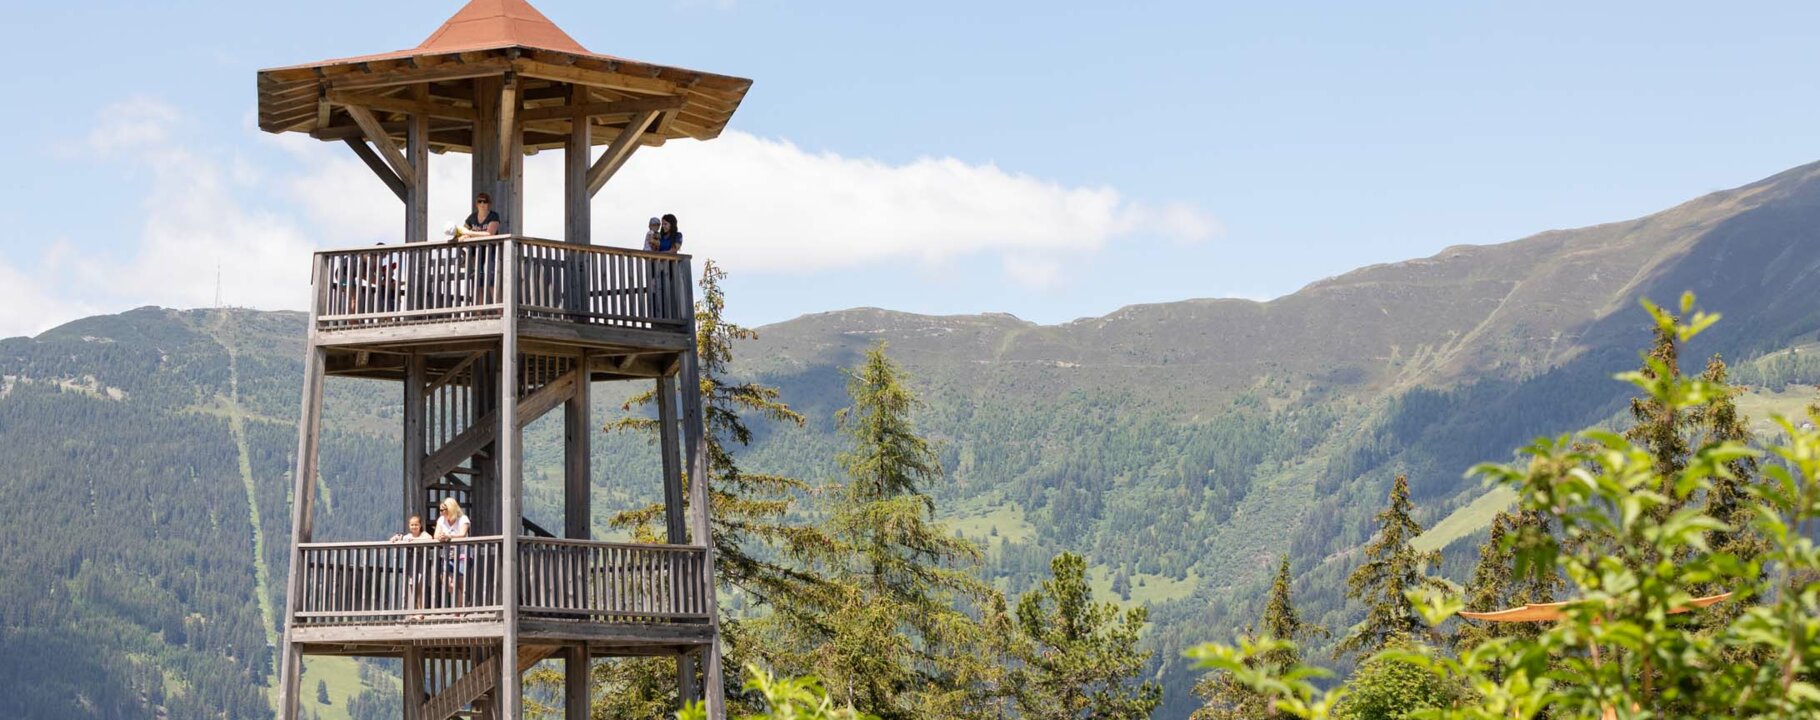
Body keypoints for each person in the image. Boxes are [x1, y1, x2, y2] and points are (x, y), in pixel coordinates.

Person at [390, 515, 433, 618]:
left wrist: (414, 541)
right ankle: (412, 611)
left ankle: (420, 611)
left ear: (420, 525)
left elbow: (430, 538)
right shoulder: (407, 536)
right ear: (409, 526)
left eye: (416, 525)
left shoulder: (424, 534)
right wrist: (395, 538)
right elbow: (396, 538)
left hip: (421, 562)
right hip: (411, 563)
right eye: (412, 525)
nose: (414, 527)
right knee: (412, 585)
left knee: (420, 585)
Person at [433, 498, 472, 608]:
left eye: (443, 510)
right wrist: (441, 537)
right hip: (448, 555)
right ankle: (463, 601)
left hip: (462, 554)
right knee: (446, 581)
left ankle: (459, 610)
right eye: (440, 510)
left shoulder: (463, 519)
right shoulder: (441, 520)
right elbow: (435, 535)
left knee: (460, 581)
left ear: (451, 509)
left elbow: (462, 534)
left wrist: (449, 536)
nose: (441, 512)